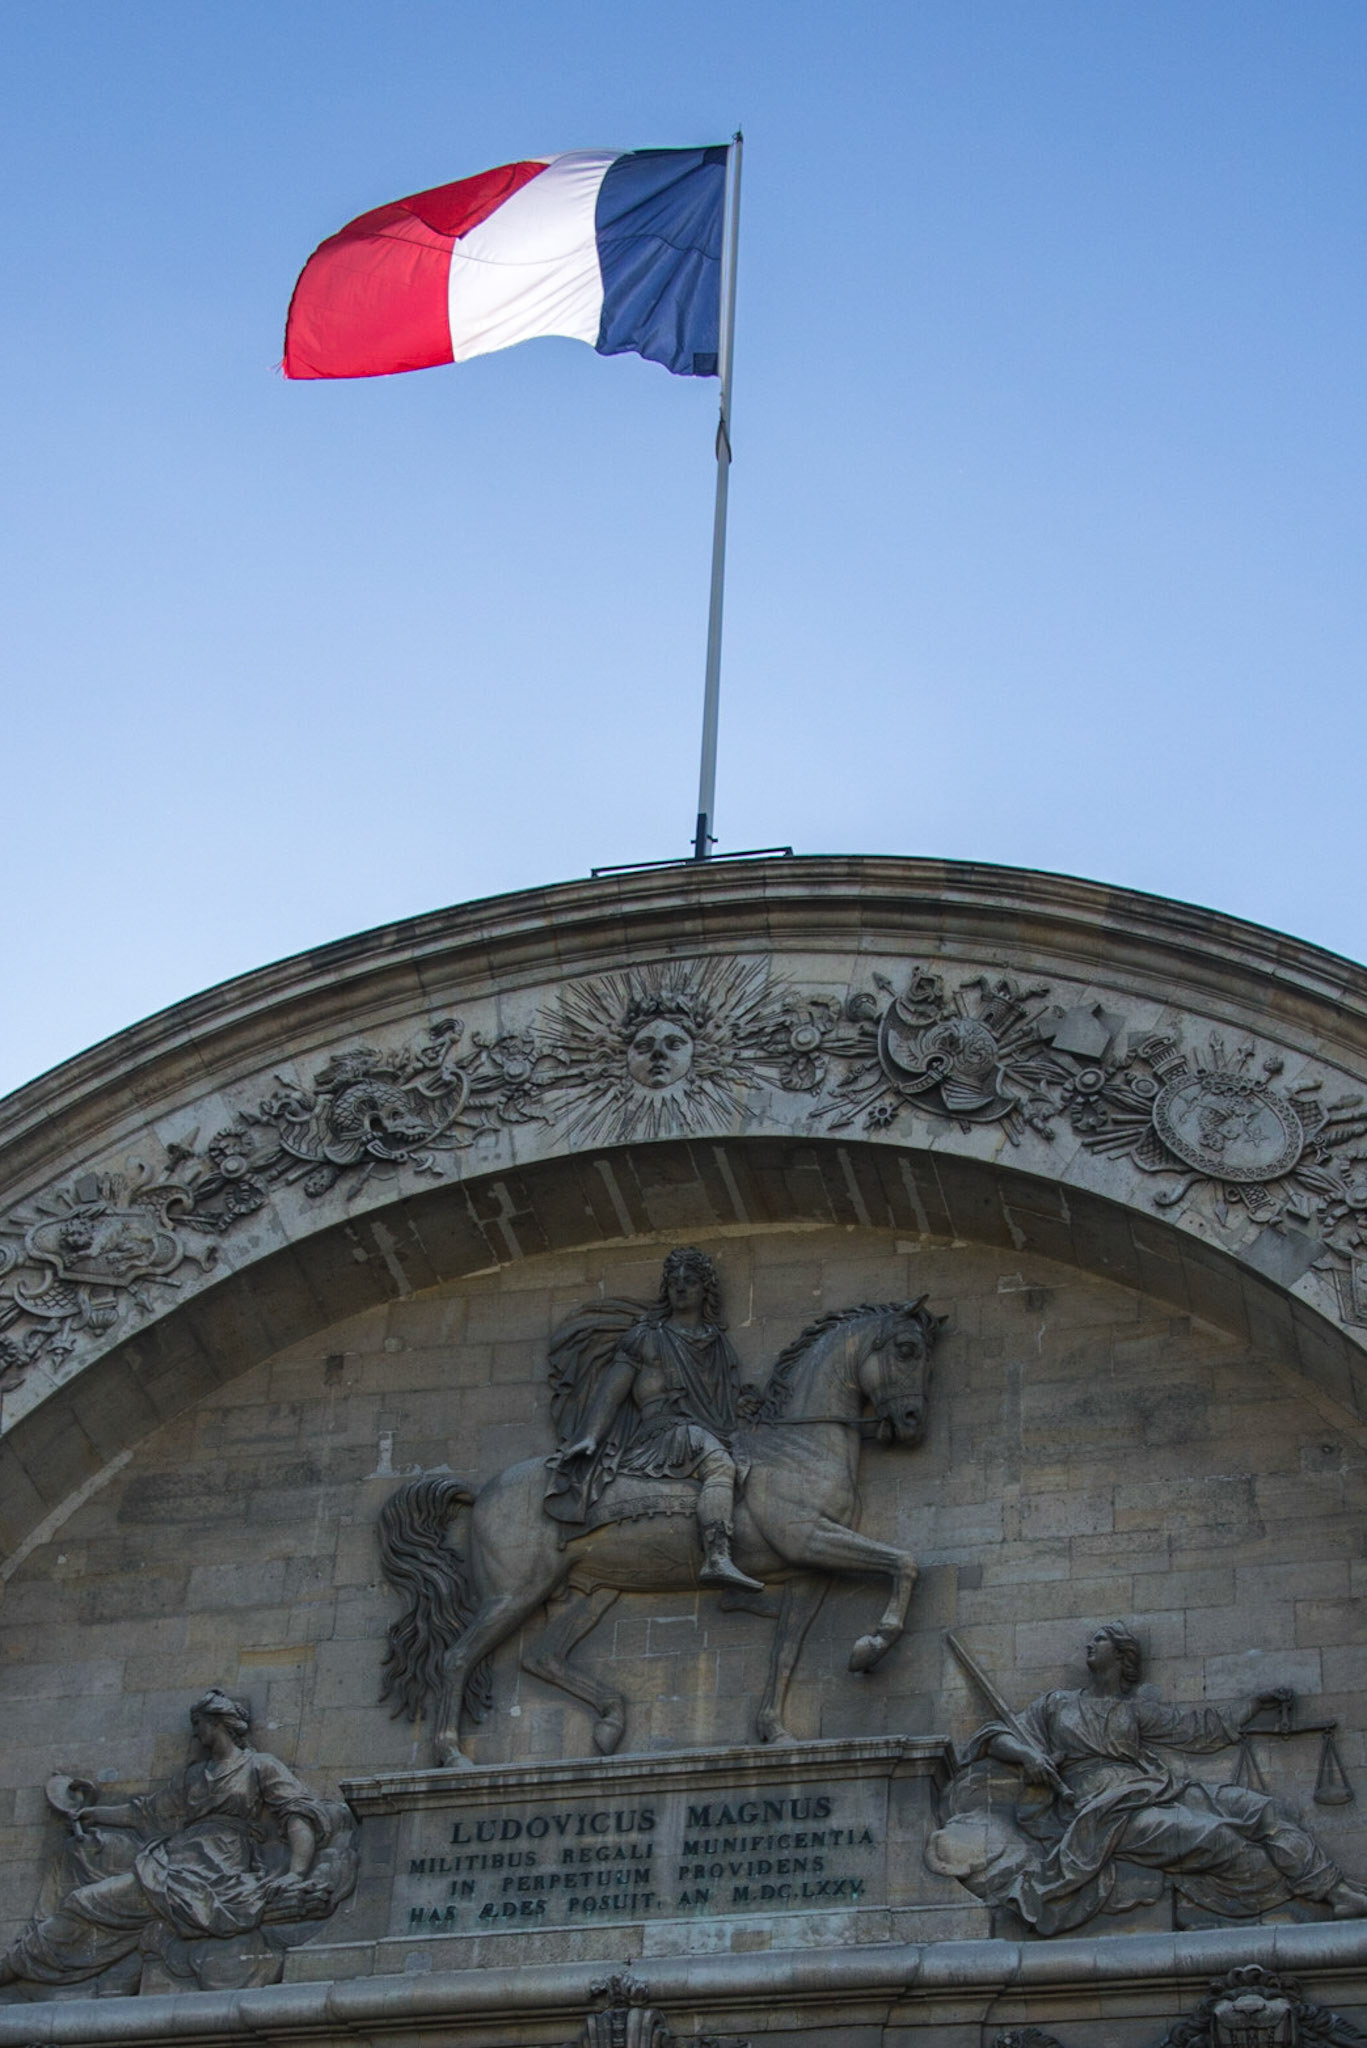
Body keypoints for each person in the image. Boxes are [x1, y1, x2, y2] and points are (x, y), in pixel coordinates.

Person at [931, 1624, 1367, 1935]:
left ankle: (1337, 1890)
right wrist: (1028, 1755)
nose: (1090, 1643)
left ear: (1121, 1656)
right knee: (1212, 1836)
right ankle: (1280, 1900)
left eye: (1099, 1639)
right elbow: (996, 1735)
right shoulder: (1058, 1705)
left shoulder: (1134, 1709)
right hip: (1099, 1806)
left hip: (1153, 1789)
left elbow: (1197, 1729)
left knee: (1262, 1808)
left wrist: (1254, 1703)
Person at [0, 1689, 341, 1989]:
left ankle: (17, 1964)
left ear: (216, 1723)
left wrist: (296, 1873)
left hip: (217, 1871)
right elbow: (145, 1813)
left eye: (199, 1723)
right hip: (171, 1863)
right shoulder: (193, 1776)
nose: (195, 1731)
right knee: (83, 1898)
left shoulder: (259, 1766)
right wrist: (97, 1814)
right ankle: (25, 1962)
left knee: (84, 1902)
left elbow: (298, 1815)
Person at [545, 1246, 762, 1593]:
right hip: (661, 1432)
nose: (680, 1288)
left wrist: (743, 1407)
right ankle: (717, 1555)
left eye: (690, 1281)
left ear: (705, 1289)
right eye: (673, 1282)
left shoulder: (717, 1343)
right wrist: (589, 1436)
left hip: (706, 1430)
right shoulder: (646, 1337)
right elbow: (611, 1393)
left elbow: (721, 1399)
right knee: (720, 1465)